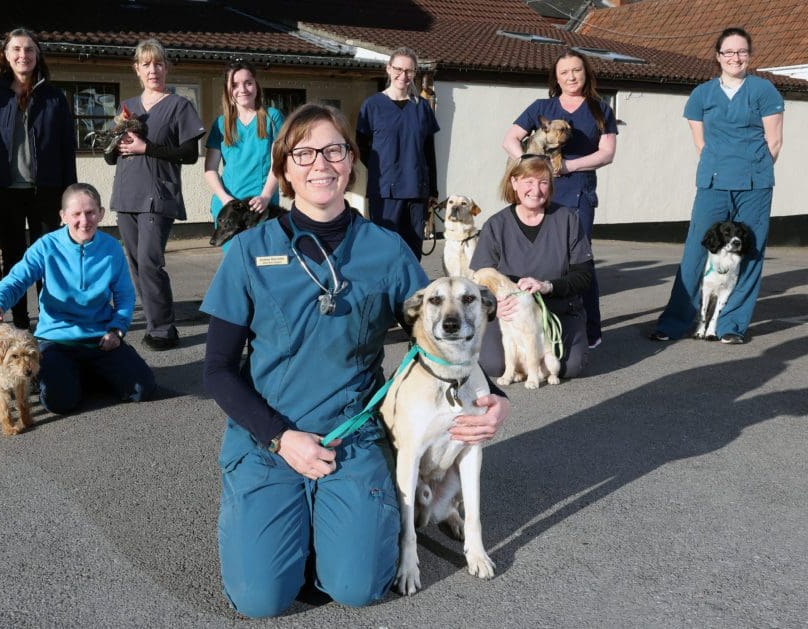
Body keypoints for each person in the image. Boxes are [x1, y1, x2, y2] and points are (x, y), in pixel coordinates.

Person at [201, 104, 509, 618]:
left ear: (351, 162)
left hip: (353, 432)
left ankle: (328, 529)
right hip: (268, 437)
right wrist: (280, 437)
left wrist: (491, 396)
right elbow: (217, 370)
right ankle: (281, 518)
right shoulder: (248, 252)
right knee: (260, 598)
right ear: (283, 170)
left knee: (359, 586)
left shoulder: (386, 251)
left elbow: (443, 334)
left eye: (334, 150)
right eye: (303, 152)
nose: (320, 163)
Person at [650, 27, 783, 345]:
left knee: (750, 251)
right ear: (718, 56)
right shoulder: (701, 96)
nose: (736, 58)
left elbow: (774, 142)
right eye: (729, 52)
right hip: (713, 183)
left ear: (749, 55)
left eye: (742, 52)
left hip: (755, 184)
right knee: (697, 248)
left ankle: (731, 325)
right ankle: (676, 321)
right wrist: (720, 170)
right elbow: (701, 144)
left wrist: (753, 171)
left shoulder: (764, 92)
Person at [0, 183, 156, 414]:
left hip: (100, 340)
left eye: (90, 212)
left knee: (143, 389)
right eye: (77, 214)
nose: (84, 221)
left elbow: (125, 296)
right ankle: (66, 375)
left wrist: (117, 330)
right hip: (56, 341)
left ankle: (82, 373)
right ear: (63, 216)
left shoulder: (111, 248)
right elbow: (17, 280)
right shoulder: (46, 246)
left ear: (100, 213)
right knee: (59, 402)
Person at [502, 50, 617, 349]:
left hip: (578, 190)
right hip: (539, 193)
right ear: (556, 77)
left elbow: (607, 153)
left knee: (580, 261)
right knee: (536, 258)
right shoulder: (542, 106)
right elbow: (509, 139)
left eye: (576, 70)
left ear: (586, 73)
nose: (571, 76)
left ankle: (589, 330)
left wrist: (567, 166)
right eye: (564, 72)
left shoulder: (600, 110)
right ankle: (535, 325)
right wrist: (531, 164)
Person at [0, 28, 77, 330]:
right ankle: (19, 322)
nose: (23, 55)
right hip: (4, 192)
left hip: (47, 191)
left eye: (29, 49)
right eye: (16, 49)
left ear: (37, 55)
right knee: (14, 259)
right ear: (6, 56)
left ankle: (49, 321)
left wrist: (70, 194)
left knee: (47, 259)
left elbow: (66, 149)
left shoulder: (54, 97)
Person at [107, 38, 205, 351]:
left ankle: (164, 329)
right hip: (126, 195)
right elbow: (111, 157)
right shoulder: (128, 108)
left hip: (157, 194)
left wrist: (145, 147)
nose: (153, 70)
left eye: (158, 63)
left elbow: (189, 154)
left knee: (150, 262)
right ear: (137, 69)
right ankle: (153, 323)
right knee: (136, 263)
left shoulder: (179, 106)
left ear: (167, 67)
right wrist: (117, 137)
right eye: (146, 64)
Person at [471, 155, 593, 380]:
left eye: (543, 182)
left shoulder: (567, 219)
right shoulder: (495, 226)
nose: (536, 189)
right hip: (508, 317)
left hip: (556, 310)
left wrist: (547, 286)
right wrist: (492, 308)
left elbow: (584, 276)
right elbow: (477, 280)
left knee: (570, 367)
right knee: (493, 365)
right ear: (514, 182)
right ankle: (520, 364)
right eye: (528, 181)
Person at [356, 47, 439, 260]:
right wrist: (384, 169)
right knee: (384, 251)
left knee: (412, 253)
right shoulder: (372, 106)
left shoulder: (422, 108)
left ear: (415, 73)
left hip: (416, 190)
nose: (403, 76)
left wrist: (433, 190)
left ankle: (411, 293)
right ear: (388, 69)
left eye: (410, 71)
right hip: (384, 192)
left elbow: (429, 151)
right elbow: (362, 147)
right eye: (398, 69)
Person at [203, 60, 284, 251]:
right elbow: (210, 170)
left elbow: (278, 162)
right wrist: (225, 200)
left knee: (265, 264)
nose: (243, 89)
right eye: (235, 84)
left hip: (260, 207)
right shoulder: (221, 123)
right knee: (236, 269)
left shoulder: (272, 117)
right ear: (228, 90)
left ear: (256, 85)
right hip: (229, 209)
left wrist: (265, 196)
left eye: (248, 82)